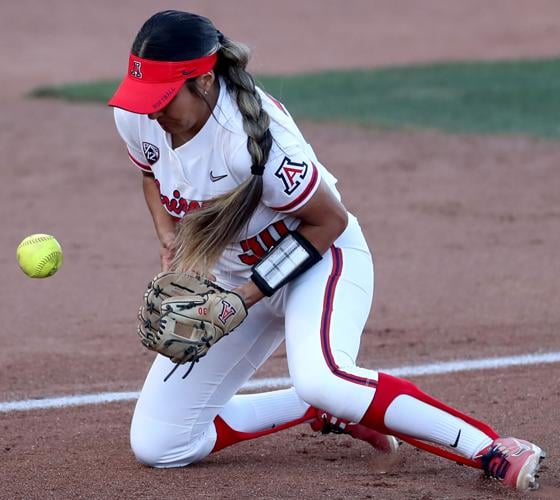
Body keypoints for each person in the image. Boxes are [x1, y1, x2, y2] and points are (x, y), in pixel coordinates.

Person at [108, 10, 545, 491]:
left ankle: (488, 446)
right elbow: (152, 175)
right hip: (235, 281)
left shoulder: (256, 144)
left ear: (205, 81)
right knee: (160, 444)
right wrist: (169, 241)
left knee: (326, 377)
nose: (151, 110)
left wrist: (244, 298)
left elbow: (329, 222)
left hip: (319, 261)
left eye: (164, 98)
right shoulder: (138, 118)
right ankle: (317, 408)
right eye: (144, 98)